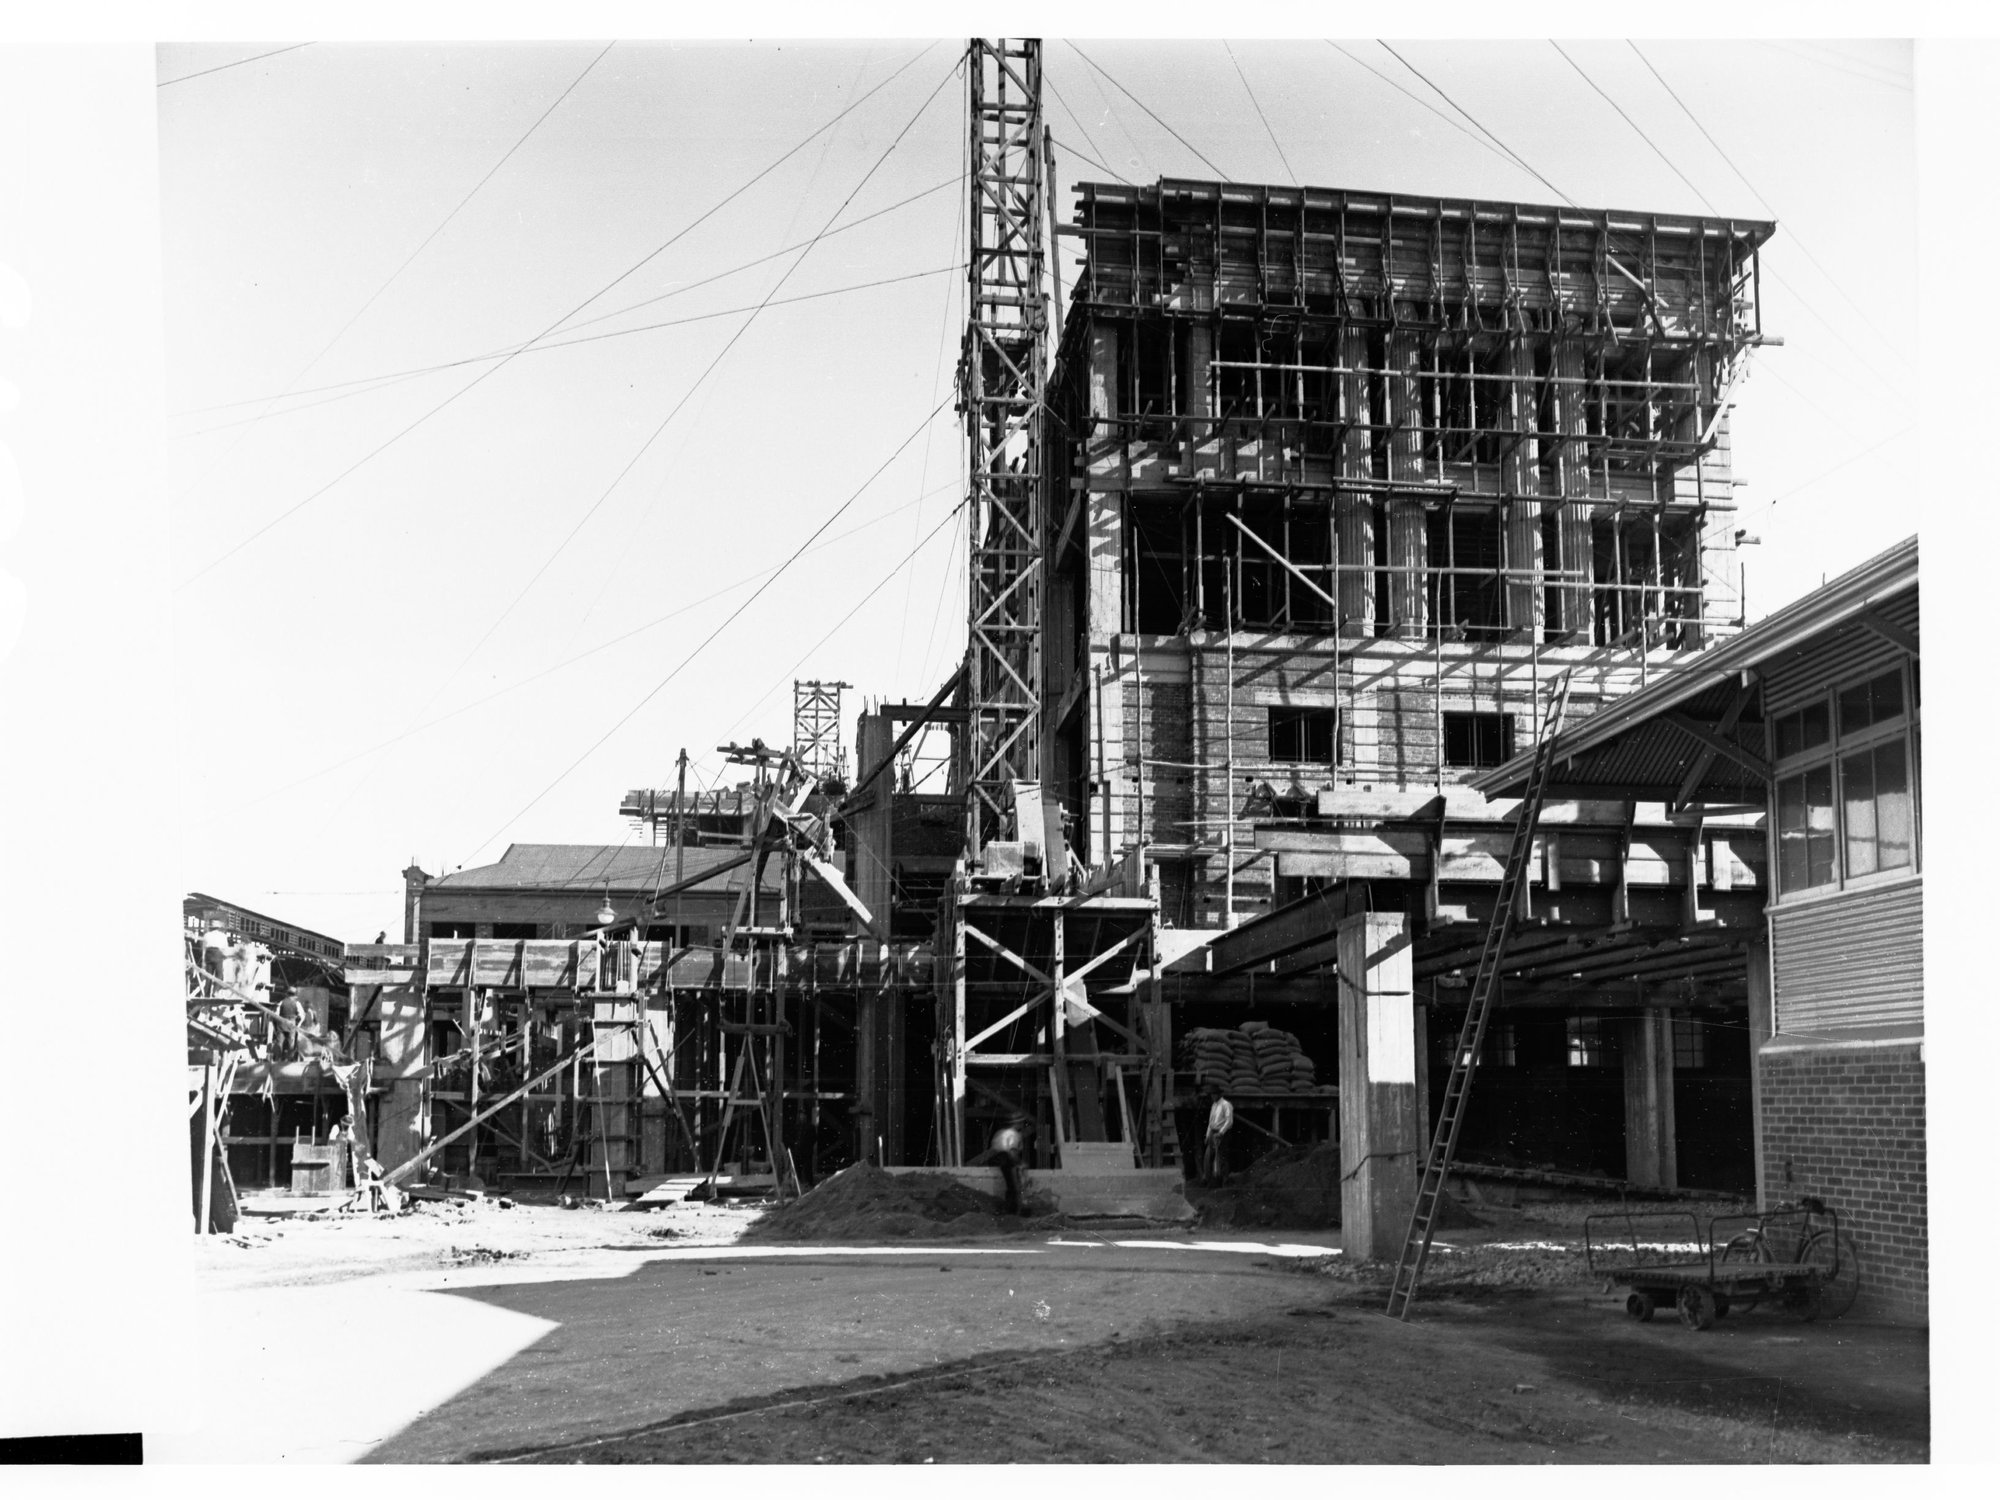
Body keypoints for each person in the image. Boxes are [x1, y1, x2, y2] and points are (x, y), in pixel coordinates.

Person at [985, 1113, 1035, 1216]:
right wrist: (1019, 1163)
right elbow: (1012, 1151)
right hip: (1007, 1159)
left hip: (998, 1159)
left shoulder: (1001, 1132)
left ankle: (1010, 1210)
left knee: (1011, 1185)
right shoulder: (1014, 1135)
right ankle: (1014, 1211)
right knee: (1015, 1186)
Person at [1202, 1084, 1235, 1184]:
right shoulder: (1214, 1105)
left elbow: (1229, 1121)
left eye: (1214, 1094)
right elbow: (1210, 1122)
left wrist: (1221, 1133)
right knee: (1208, 1156)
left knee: (1222, 1156)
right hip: (1213, 1132)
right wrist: (1208, 1135)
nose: (1213, 1097)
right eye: (1211, 1095)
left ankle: (1225, 1179)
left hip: (1222, 1133)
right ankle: (1207, 1179)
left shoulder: (1226, 1105)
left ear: (1219, 1094)